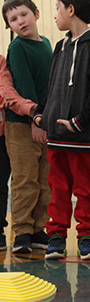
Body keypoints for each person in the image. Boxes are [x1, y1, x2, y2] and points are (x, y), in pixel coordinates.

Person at [33, 0, 90, 260]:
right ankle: (56, 235)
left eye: (57, 8)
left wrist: (79, 122)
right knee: (57, 188)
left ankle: (86, 238)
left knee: (86, 191)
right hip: (57, 135)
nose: (54, 15)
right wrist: (42, 115)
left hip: (85, 137)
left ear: (71, 9)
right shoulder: (60, 46)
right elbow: (53, 86)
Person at [2, 0, 52, 254]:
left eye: (24, 14)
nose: (20, 21)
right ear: (9, 26)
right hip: (23, 124)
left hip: (45, 121)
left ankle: (38, 230)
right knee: (25, 179)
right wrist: (36, 119)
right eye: (13, 19)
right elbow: (24, 85)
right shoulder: (17, 48)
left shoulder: (46, 44)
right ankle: (22, 231)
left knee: (45, 179)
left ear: (37, 13)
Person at [0, 55, 37, 251]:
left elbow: (7, 92)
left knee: (3, 184)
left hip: (2, 134)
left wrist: (31, 109)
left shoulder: (1, 62)